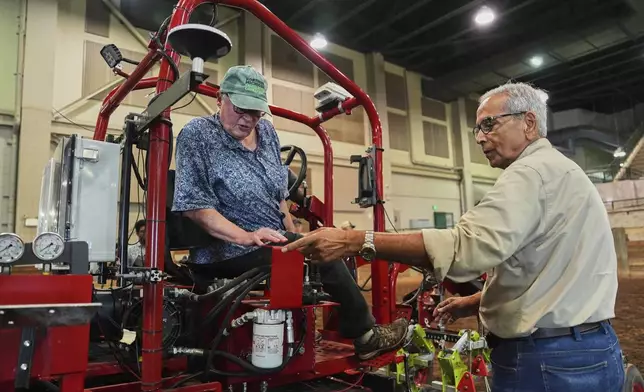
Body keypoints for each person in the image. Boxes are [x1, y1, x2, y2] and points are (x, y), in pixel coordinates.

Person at [284, 82, 624, 391]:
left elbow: (464, 248)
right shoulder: (564, 173)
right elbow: (554, 270)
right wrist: (475, 302)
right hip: (593, 350)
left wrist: (357, 241)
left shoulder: (529, 174)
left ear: (529, 123)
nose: (479, 138)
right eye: (477, 128)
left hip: (549, 362)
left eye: (490, 124)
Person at [172, 65, 409, 361]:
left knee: (327, 245)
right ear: (221, 99)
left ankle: (340, 327)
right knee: (321, 251)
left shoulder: (266, 132)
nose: (248, 119)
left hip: (270, 240)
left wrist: (295, 232)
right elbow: (195, 205)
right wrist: (247, 236)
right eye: (240, 109)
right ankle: (366, 335)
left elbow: (278, 195)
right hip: (226, 250)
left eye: (256, 112)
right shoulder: (198, 135)